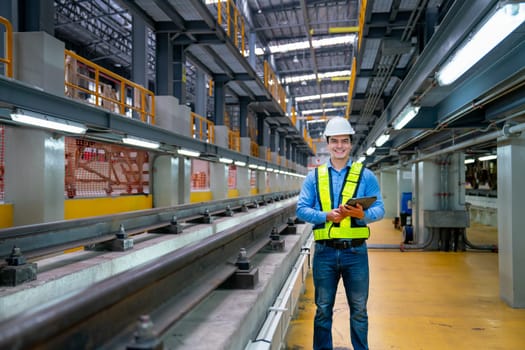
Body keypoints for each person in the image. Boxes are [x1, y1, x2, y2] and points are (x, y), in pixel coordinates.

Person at [296, 116, 385, 350]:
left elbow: (380, 209)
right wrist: (326, 216)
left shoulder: (366, 175)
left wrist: (361, 216)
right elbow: (301, 209)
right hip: (325, 253)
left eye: (344, 141)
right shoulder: (314, 177)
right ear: (327, 143)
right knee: (323, 310)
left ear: (350, 143)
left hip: (355, 253)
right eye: (334, 141)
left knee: (359, 311)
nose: (339, 146)